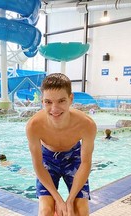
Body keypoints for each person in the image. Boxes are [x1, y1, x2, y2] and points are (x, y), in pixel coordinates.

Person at [26, 73, 97, 216]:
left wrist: (69, 200)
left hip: (74, 157)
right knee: (46, 211)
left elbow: (85, 163)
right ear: (42, 101)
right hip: (47, 159)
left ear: (71, 99)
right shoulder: (34, 126)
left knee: (81, 211)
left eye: (61, 101)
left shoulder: (86, 125)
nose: (55, 108)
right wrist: (58, 199)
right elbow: (38, 165)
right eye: (48, 102)